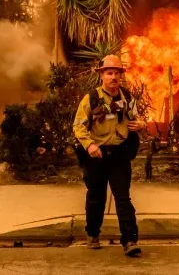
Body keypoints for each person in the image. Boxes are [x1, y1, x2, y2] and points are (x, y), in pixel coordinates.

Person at [72, 54, 147, 257]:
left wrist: (141, 124)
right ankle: (93, 234)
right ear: (101, 76)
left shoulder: (127, 98)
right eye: (109, 73)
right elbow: (79, 127)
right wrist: (89, 146)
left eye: (117, 73)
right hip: (96, 156)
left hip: (119, 155)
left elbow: (136, 118)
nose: (114, 77)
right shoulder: (91, 98)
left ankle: (130, 241)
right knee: (96, 197)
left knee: (123, 198)